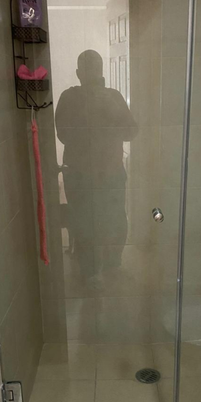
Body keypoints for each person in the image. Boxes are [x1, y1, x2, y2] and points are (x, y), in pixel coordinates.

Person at [55, 50, 137, 277]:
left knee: (115, 220)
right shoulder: (69, 98)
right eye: (88, 69)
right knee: (84, 223)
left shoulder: (113, 97)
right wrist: (89, 111)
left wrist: (111, 110)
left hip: (109, 172)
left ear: (101, 71)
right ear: (79, 73)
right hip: (80, 174)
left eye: (95, 69)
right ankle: (91, 273)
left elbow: (132, 131)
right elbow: (64, 135)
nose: (92, 74)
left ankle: (111, 265)